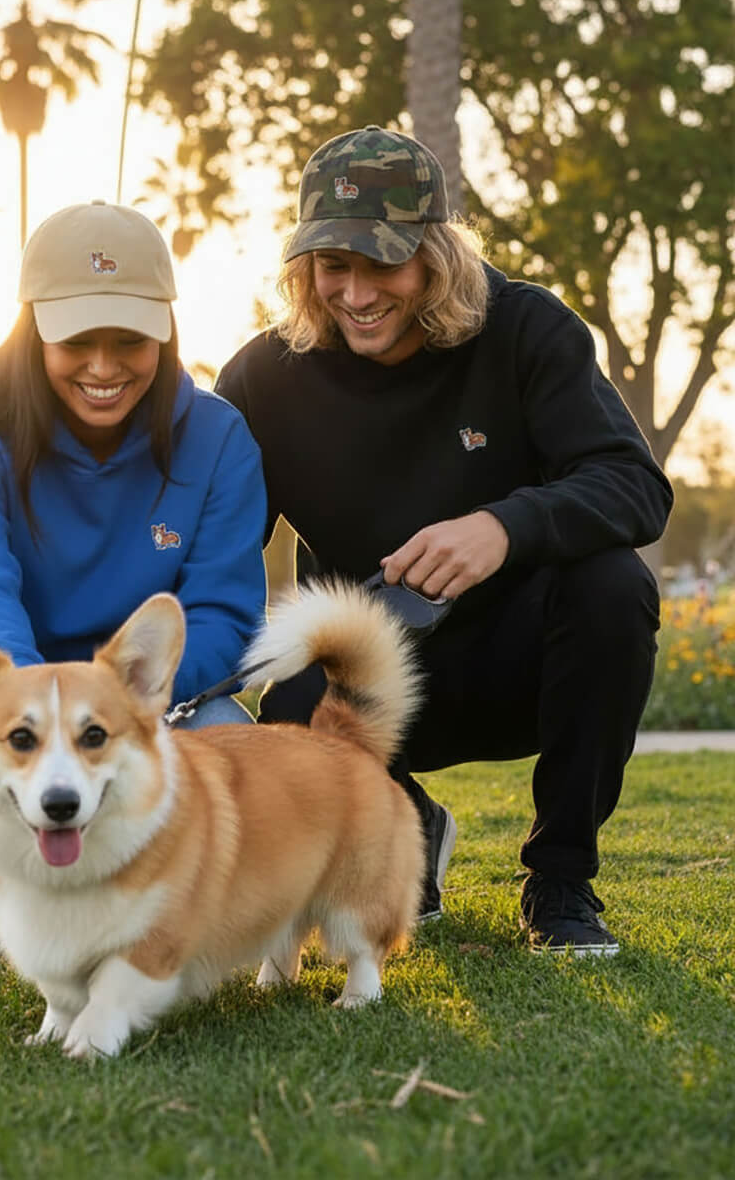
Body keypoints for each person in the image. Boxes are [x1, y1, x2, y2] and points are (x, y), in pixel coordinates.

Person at [215, 125, 672, 957]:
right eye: (332, 265)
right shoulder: (261, 378)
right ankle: (409, 832)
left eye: (382, 261)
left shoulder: (528, 330)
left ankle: (561, 880)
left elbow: (636, 486)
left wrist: (504, 526)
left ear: (436, 254)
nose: (355, 293)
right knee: (287, 698)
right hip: (373, 683)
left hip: (523, 663)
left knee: (614, 585)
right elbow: (219, 547)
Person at [0, 200, 266, 966]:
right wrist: (39, 708)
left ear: (164, 331)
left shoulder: (221, 438)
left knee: (226, 724)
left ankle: (168, 899)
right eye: (76, 342)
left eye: (128, 340)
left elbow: (225, 613)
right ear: (33, 331)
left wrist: (114, 701)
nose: (104, 367)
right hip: (15, 688)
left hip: (137, 694)